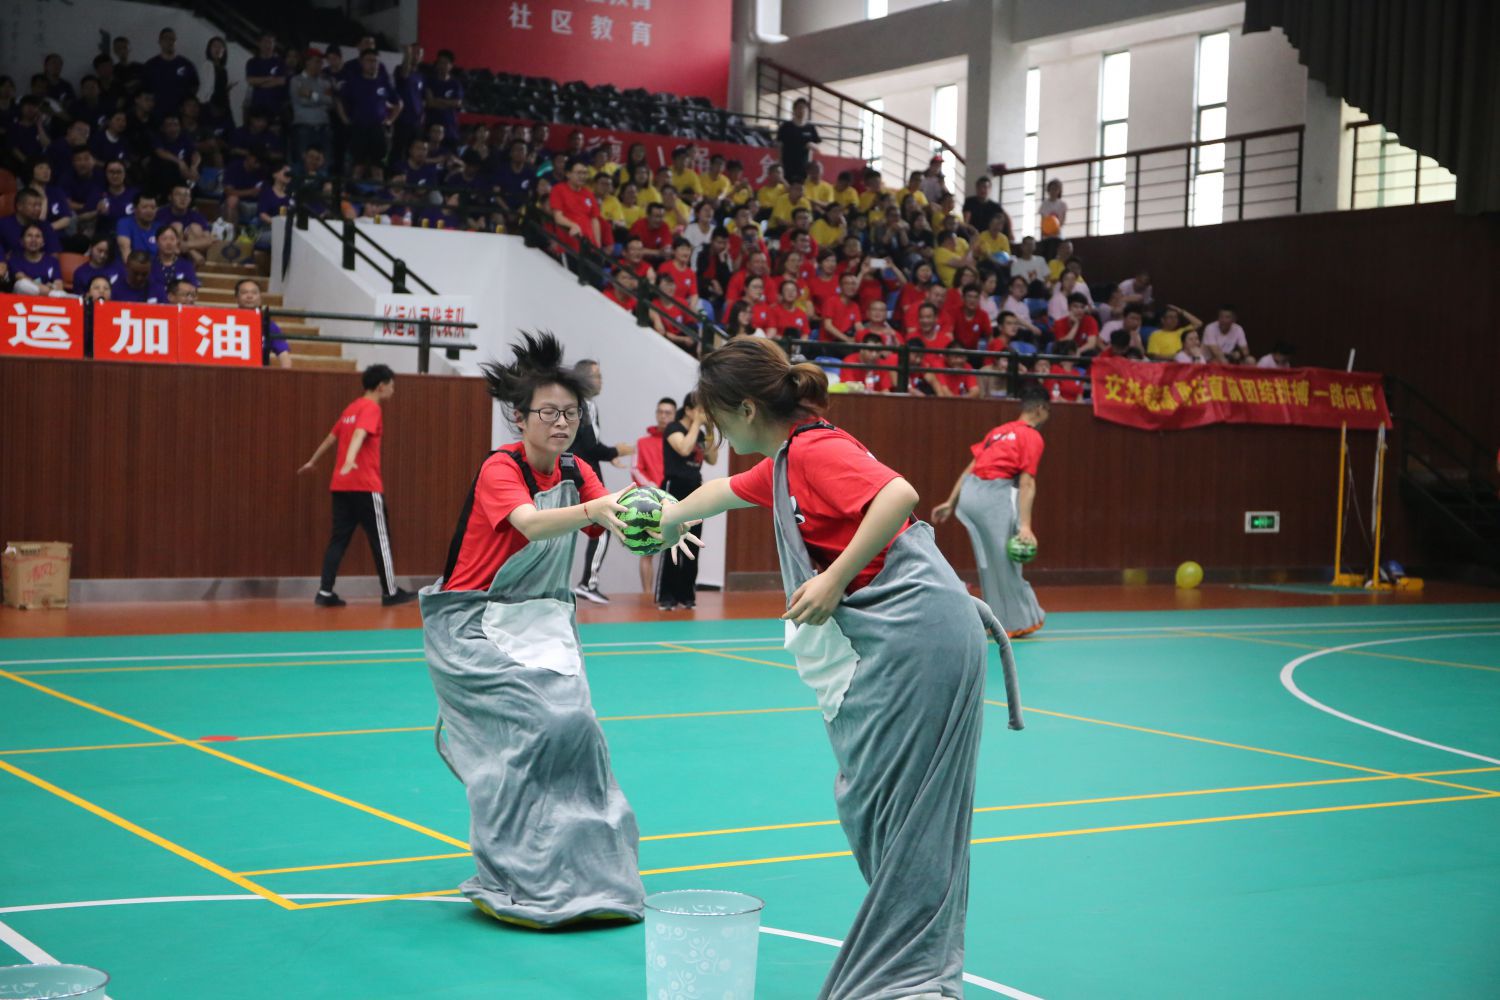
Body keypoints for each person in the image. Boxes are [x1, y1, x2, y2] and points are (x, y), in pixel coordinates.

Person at [654, 338, 1023, 1000]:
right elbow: (718, 495)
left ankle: (917, 979)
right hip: (905, 642)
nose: (715, 434)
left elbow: (898, 494)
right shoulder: (782, 465)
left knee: (909, 819)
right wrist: (666, 518)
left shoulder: (814, 450)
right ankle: (914, 966)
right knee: (873, 807)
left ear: (745, 410)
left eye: (716, 418)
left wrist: (834, 579)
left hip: (923, 634)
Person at [419, 332, 647, 928]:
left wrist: (660, 524)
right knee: (534, 732)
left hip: (541, 619)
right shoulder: (501, 468)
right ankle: (514, 874)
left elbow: (616, 520)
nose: (561, 423)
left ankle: (596, 879)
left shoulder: (576, 468)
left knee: (580, 730)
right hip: (469, 625)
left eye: (571, 413)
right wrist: (596, 509)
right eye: (548, 412)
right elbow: (531, 523)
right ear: (519, 417)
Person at [932, 386, 1050, 638]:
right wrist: (1025, 526)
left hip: (969, 496)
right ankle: (1017, 622)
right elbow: (1027, 483)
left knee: (989, 562)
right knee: (1005, 562)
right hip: (993, 496)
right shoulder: (1031, 436)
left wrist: (951, 502)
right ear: (1040, 409)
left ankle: (993, 619)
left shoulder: (998, 432)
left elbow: (971, 467)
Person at [297, 364, 417, 607]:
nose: (393, 390)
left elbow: (331, 438)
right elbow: (359, 434)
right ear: (381, 386)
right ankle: (390, 592)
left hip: (341, 486)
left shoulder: (351, 408)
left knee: (338, 539)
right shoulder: (371, 408)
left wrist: (313, 461)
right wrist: (350, 459)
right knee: (380, 540)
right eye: (391, 386)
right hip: (365, 486)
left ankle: (325, 591)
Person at [569, 359, 636, 605]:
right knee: (604, 523)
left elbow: (586, 445)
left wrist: (610, 456)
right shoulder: (583, 405)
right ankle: (588, 583)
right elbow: (589, 447)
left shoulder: (579, 403)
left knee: (566, 527)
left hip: (574, 470)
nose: (601, 381)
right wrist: (615, 451)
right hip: (580, 474)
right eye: (597, 375)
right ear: (584, 378)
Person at [656, 393, 719, 611]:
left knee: (693, 543)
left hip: (695, 490)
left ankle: (687, 595)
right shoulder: (673, 428)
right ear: (690, 410)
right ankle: (667, 595)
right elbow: (683, 448)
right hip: (674, 489)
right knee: (671, 541)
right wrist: (696, 423)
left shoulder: (699, 433)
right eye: (701, 410)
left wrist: (708, 430)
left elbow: (712, 458)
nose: (704, 414)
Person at [631, 397, 676, 593]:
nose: (663, 416)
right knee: (647, 550)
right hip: (650, 502)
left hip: (675, 501)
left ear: (675, 415)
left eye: (668, 413)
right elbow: (635, 469)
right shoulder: (642, 443)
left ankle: (670, 594)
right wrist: (655, 489)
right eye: (660, 412)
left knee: (675, 547)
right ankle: (647, 594)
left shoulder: (679, 441)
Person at [237, 278, 292, 368]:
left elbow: (284, 355)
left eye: (254, 293)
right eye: (244, 292)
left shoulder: (269, 325)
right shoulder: (226, 322)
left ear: (260, 298)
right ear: (236, 298)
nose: (249, 296)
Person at [778, 98, 820, 184]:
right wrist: (780, 162)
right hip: (787, 164)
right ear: (794, 110)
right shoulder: (786, 126)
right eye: (799, 108)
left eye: (804, 108)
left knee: (802, 188)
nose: (801, 110)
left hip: (804, 166)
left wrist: (812, 145)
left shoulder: (810, 128)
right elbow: (779, 145)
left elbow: (817, 148)